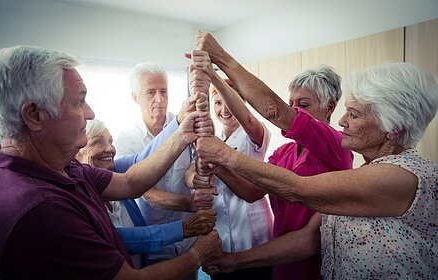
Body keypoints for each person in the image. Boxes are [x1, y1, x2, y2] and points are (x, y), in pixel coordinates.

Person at [196, 61, 438, 279]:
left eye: (353, 114)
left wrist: (225, 155)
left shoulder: (402, 175)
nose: (343, 121)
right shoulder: (356, 175)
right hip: (286, 263)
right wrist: (234, 261)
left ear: (393, 128)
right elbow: (307, 239)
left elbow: (296, 188)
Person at [0, 45, 221, 279]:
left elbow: (129, 182)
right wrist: (198, 254)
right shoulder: (41, 209)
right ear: (34, 115)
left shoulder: (64, 167)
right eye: (79, 102)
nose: (90, 112)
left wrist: (181, 133)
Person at [193, 35, 353, 280]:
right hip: (279, 262)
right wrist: (219, 167)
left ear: (330, 107)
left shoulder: (337, 145)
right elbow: (251, 192)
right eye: (291, 103)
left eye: (303, 104)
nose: (295, 110)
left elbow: (274, 112)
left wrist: (220, 61)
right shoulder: (284, 153)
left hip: (314, 267)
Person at [76, 118, 217, 269]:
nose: (110, 148)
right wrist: (185, 229)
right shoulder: (78, 196)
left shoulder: (114, 171)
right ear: (75, 153)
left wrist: (179, 126)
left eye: (110, 141)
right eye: (98, 142)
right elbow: (119, 239)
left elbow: (144, 157)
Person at [186, 50, 274, 280]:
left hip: (253, 236)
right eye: (217, 102)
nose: (224, 110)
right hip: (224, 236)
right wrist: (195, 177)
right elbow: (192, 170)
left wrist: (213, 75)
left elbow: (247, 119)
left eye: (229, 104)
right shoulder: (212, 139)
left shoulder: (254, 135)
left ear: (241, 104)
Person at [114, 62, 203, 279]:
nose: (159, 99)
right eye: (151, 92)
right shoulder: (127, 139)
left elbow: (194, 164)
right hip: (154, 243)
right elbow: (144, 190)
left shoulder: (186, 122)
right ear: (135, 97)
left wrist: (195, 179)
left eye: (163, 91)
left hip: (188, 240)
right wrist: (188, 203)